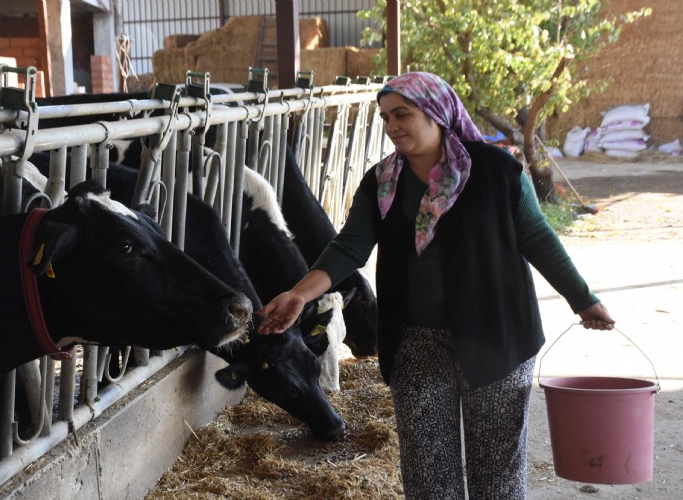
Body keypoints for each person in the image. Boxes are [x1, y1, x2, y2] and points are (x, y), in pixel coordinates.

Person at [258, 71, 615, 499]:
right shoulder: (382, 182)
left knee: (497, 472)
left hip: (496, 338)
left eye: (402, 115)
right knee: (428, 473)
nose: (392, 128)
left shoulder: (499, 172)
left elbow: (538, 239)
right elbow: (349, 247)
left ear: (437, 113)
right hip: (415, 343)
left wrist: (583, 299)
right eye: (386, 118)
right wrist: (300, 293)